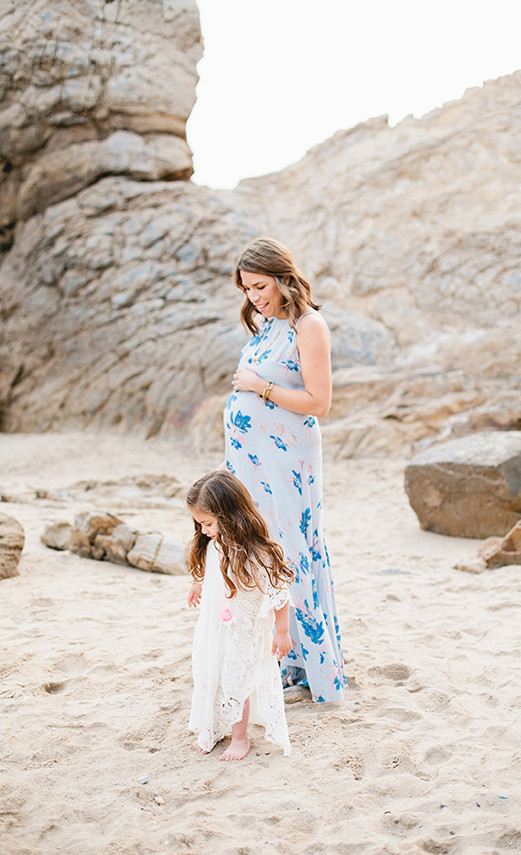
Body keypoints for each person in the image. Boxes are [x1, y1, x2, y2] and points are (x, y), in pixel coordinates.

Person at [224, 236, 346, 704]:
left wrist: (261, 386)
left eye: (260, 286)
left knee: (290, 550)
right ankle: (279, 658)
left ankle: (314, 670)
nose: (253, 296)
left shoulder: (309, 325)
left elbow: (319, 402)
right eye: (246, 288)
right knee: (261, 552)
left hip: (288, 462)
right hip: (252, 464)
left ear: (283, 278)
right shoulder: (265, 324)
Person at [186, 469, 294, 760]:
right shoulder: (214, 543)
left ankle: (240, 738)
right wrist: (197, 584)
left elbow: (279, 592)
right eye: (200, 524)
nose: (204, 530)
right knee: (212, 673)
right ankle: (212, 728)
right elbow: (210, 571)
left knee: (236, 680)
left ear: (230, 515)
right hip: (214, 626)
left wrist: (282, 632)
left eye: (208, 523)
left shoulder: (255, 552)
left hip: (243, 629)